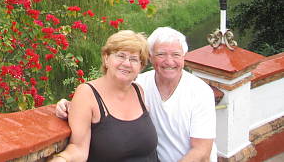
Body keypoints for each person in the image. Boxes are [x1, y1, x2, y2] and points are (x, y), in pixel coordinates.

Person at [56, 27, 216, 162]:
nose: (169, 61)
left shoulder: (199, 92)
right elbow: (97, 96)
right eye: (161, 54)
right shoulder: (140, 83)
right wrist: (70, 105)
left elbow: (201, 152)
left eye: (176, 55)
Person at [48, 30, 159, 162]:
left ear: (140, 67)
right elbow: (78, 148)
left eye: (134, 59)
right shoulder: (87, 94)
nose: (127, 63)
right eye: (121, 56)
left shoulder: (139, 91)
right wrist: (61, 159)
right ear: (106, 59)